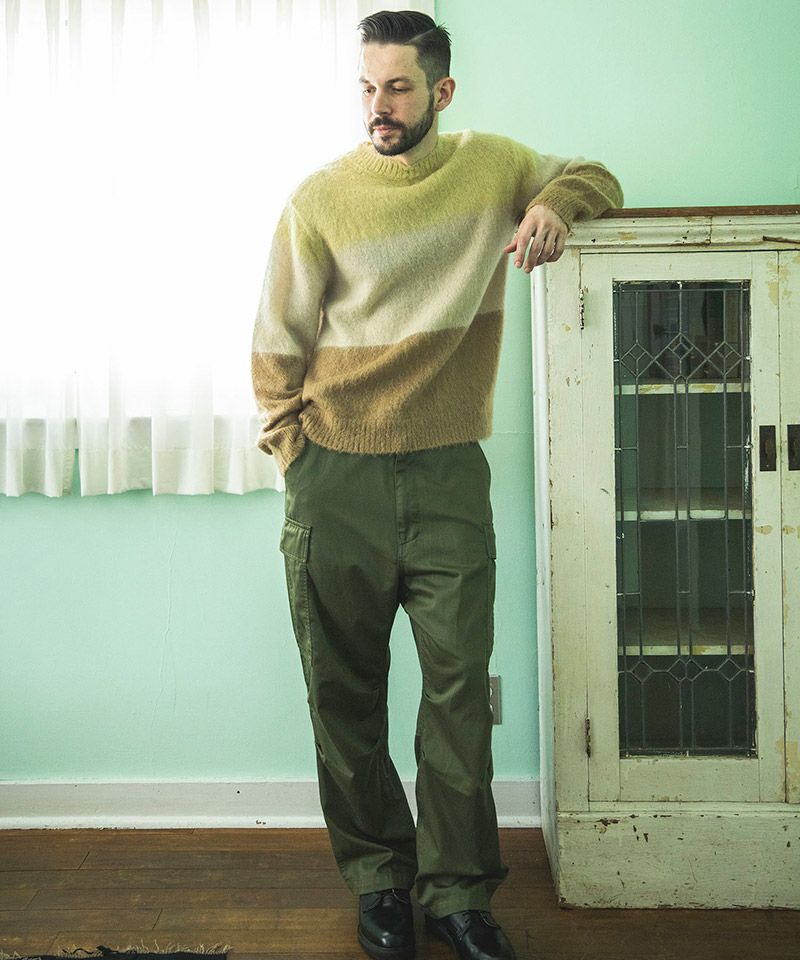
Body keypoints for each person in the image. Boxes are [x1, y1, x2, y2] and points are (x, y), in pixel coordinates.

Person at [251, 11, 623, 960]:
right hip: (335, 472)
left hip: (449, 470)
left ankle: (458, 892)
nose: (379, 106)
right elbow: (276, 340)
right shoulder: (319, 199)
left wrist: (556, 204)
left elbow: (596, 175)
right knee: (344, 694)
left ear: (441, 92)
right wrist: (294, 450)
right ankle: (379, 879)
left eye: (399, 88)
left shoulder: (491, 165)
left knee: (458, 692)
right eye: (367, 87)